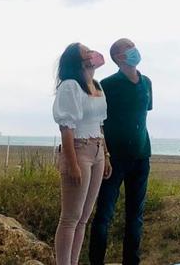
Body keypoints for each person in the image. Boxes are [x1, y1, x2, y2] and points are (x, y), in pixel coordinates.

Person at [89, 38, 153, 265]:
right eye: (128, 48)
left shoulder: (146, 82)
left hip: (141, 156)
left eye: (134, 45)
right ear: (118, 57)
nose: (135, 50)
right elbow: (98, 121)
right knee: (104, 214)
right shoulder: (108, 84)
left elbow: (143, 113)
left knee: (135, 217)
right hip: (114, 159)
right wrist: (104, 155)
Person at [52, 42, 112, 265]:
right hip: (79, 148)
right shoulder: (70, 86)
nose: (91, 54)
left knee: (83, 218)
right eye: (85, 52)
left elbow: (100, 124)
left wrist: (105, 155)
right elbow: (66, 127)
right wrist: (72, 162)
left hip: (96, 149)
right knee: (70, 217)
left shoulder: (95, 84)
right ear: (77, 61)